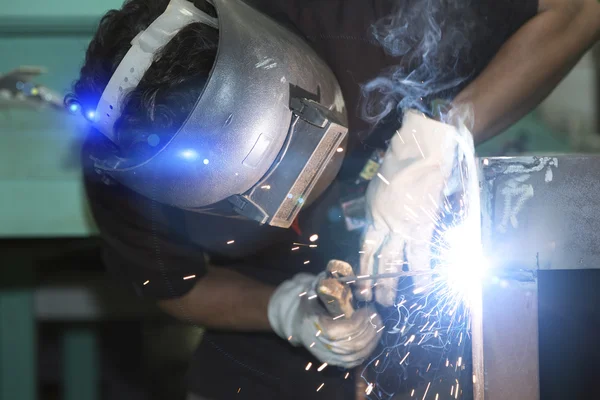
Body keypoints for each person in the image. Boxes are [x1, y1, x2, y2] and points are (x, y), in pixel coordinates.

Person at [68, 0, 600, 399]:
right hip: (283, 302)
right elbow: (173, 285)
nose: (291, 203)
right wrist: (285, 310)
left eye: (292, 156)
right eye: (247, 198)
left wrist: (446, 133)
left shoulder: (358, 14)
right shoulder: (127, 163)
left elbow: (578, 10)